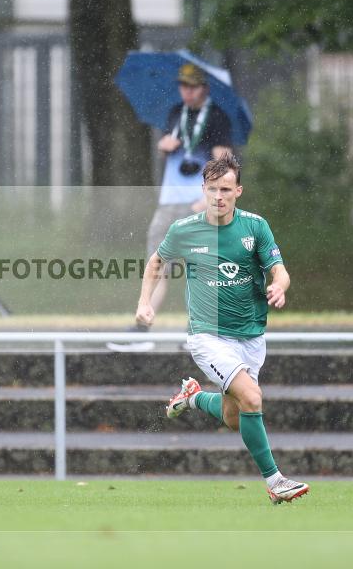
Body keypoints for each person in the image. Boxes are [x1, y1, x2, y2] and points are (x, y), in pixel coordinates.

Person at [135, 153, 309, 504]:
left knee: (235, 417)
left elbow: (280, 269)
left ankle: (194, 397)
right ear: (203, 189)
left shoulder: (255, 227)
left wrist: (280, 286)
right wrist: (144, 302)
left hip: (251, 335)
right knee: (252, 398)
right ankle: (275, 482)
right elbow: (156, 262)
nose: (218, 196)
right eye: (212, 189)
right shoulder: (184, 229)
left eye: (225, 189)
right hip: (207, 336)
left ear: (238, 191)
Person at [109, 63, 232, 351]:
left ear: (205, 88)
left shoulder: (217, 117)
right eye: (182, 85)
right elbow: (171, 146)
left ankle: (198, 333)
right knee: (155, 265)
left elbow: (224, 163)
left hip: (199, 202)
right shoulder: (176, 114)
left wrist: (210, 199)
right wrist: (165, 146)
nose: (186, 91)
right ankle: (142, 328)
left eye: (192, 86)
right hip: (169, 201)